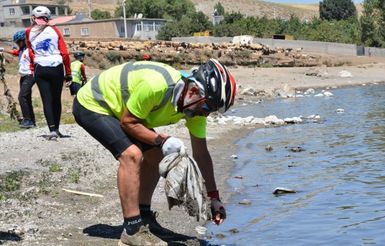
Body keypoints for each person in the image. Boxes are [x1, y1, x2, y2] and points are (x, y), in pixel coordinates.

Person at [73, 59, 236, 245]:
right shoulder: (157, 85)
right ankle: (132, 230)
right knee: (132, 155)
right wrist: (161, 140)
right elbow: (128, 122)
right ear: (193, 91)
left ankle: (144, 217)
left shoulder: (195, 107)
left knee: (156, 156)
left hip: (124, 112)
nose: (206, 114)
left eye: (211, 111)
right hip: (93, 104)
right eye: (207, 108)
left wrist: (214, 198)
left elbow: (201, 154)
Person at [25, 6, 72, 140]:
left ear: (33, 17)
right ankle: (57, 130)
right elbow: (65, 53)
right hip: (56, 66)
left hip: (40, 67)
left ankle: (51, 131)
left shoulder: (28, 31)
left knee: (46, 100)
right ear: (48, 18)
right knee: (56, 99)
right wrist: (68, 72)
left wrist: (33, 69)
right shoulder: (55, 30)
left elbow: (30, 52)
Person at [2, 31, 36, 128]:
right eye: (17, 42)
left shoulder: (30, 50)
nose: (18, 44)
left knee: (22, 97)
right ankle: (32, 120)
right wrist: (2, 49)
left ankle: (28, 120)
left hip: (30, 75)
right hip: (23, 76)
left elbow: (35, 62)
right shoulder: (22, 50)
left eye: (19, 42)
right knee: (27, 98)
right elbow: (14, 52)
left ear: (24, 40)